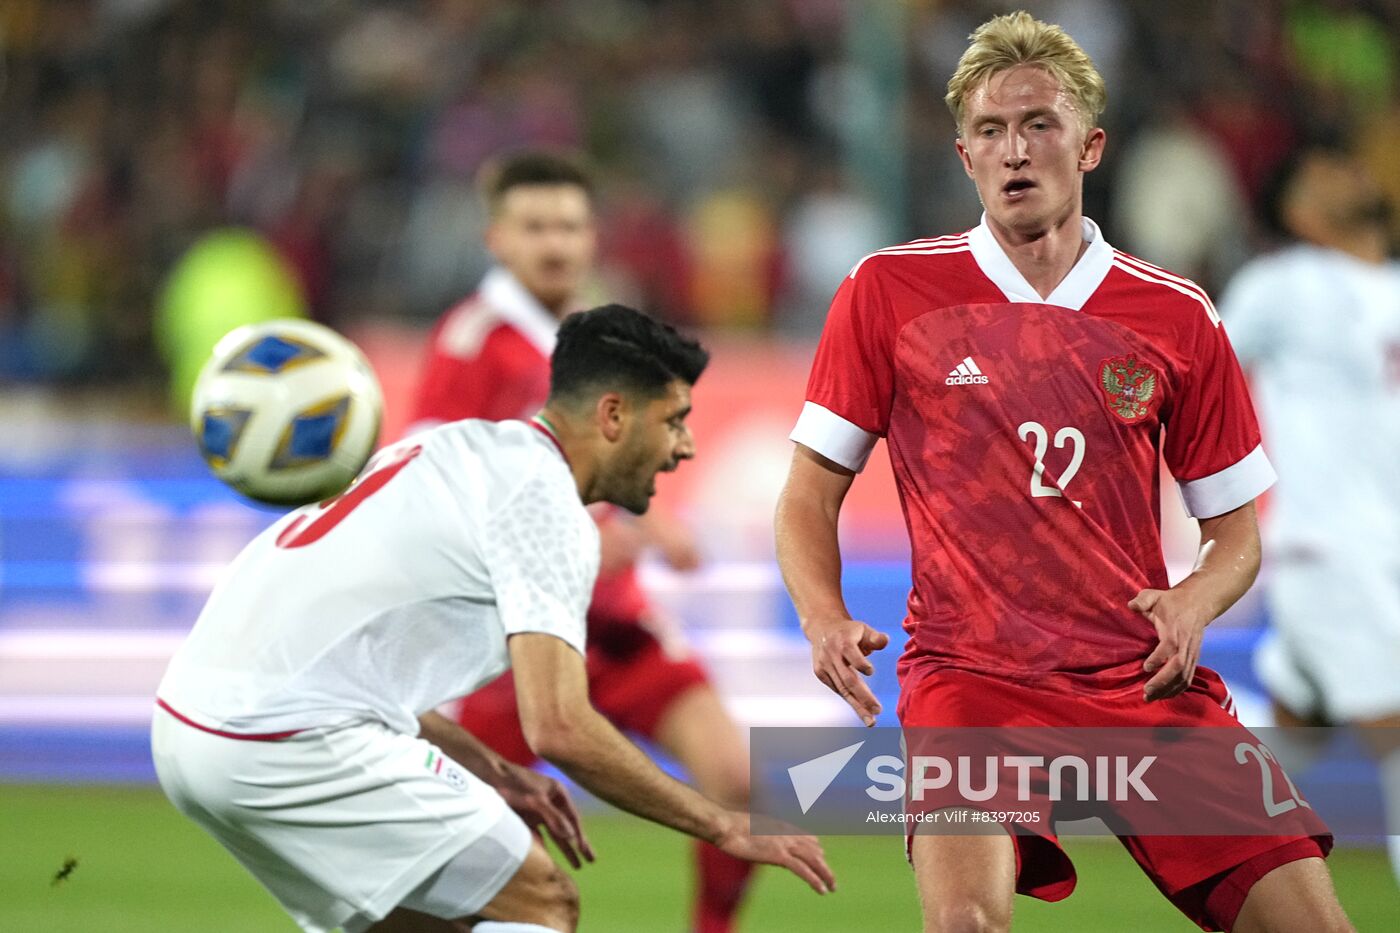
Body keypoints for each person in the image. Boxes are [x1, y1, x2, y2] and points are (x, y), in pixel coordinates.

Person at [773, 12, 1351, 933]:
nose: (1015, 150)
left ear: (1090, 146)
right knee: (968, 923)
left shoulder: (1176, 316)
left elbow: (1236, 533)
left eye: (1039, 124)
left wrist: (1195, 600)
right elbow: (810, 491)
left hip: (1142, 681)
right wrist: (823, 614)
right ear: (964, 156)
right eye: (992, 132)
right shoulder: (887, 292)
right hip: (969, 677)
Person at [152, 305, 833, 933]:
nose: (684, 448)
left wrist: (490, 765)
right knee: (542, 900)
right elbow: (560, 725)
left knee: (430, 922)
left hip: (189, 728)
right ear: (615, 415)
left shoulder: (457, 451)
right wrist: (718, 822)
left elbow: (347, 665)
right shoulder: (549, 510)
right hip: (282, 736)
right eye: (675, 420)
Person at [408, 151, 758, 932]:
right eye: (535, 227)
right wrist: (585, 538)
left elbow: (606, 464)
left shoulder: (601, 334)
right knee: (497, 849)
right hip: (514, 641)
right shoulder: (471, 346)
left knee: (735, 777)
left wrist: (648, 523)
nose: (555, 244)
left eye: (569, 225)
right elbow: (431, 488)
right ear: (497, 238)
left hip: (611, 620)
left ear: (593, 235)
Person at [1219, 147, 1400, 885]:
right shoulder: (1282, 285)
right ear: (1299, 212)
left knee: (1299, 730)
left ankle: (1158, 793)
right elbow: (1198, 377)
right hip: (1327, 549)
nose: (1353, 172)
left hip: (1387, 550)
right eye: (1328, 170)